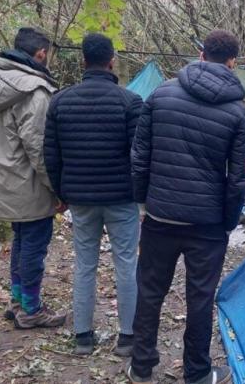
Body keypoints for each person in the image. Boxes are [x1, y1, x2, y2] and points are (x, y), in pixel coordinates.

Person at [127, 30, 245, 384]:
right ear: (232, 62)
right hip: (208, 224)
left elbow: (139, 156)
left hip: (160, 216)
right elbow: (239, 178)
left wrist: (144, 202)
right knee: (200, 298)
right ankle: (197, 373)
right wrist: (226, 221)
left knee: (150, 291)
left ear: (200, 55)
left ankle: (141, 366)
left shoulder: (160, 94)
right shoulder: (238, 112)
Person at [43, 33, 142, 356]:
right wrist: (139, 193)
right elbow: (138, 155)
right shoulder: (129, 102)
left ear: (83, 61)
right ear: (111, 60)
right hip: (121, 198)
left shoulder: (60, 101)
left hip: (80, 199)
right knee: (126, 264)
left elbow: (52, 155)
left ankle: (83, 337)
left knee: (85, 265)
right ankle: (127, 338)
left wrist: (61, 193)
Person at [0, 27, 66, 329]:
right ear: (40, 54)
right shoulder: (34, 91)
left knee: (22, 243)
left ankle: (18, 301)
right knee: (33, 247)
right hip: (30, 186)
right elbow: (39, 150)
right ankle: (31, 309)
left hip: (1, 181)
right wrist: (57, 188)